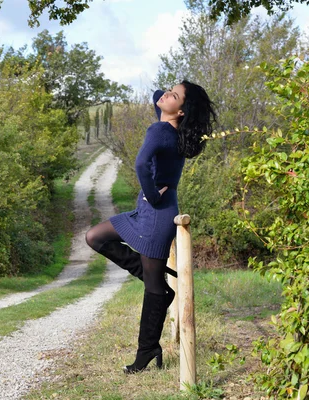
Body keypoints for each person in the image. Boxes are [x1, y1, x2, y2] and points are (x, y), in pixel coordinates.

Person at [85, 80, 216, 374]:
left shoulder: (160, 130)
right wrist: (170, 96)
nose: (166, 93)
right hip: (149, 211)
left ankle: (147, 351)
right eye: (170, 89)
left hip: (156, 212)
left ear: (181, 111)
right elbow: (158, 97)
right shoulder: (172, 129)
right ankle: (158, 284)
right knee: (95, 237)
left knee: (152, 288)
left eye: (175, 95)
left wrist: (151, 193)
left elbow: (141, 164)